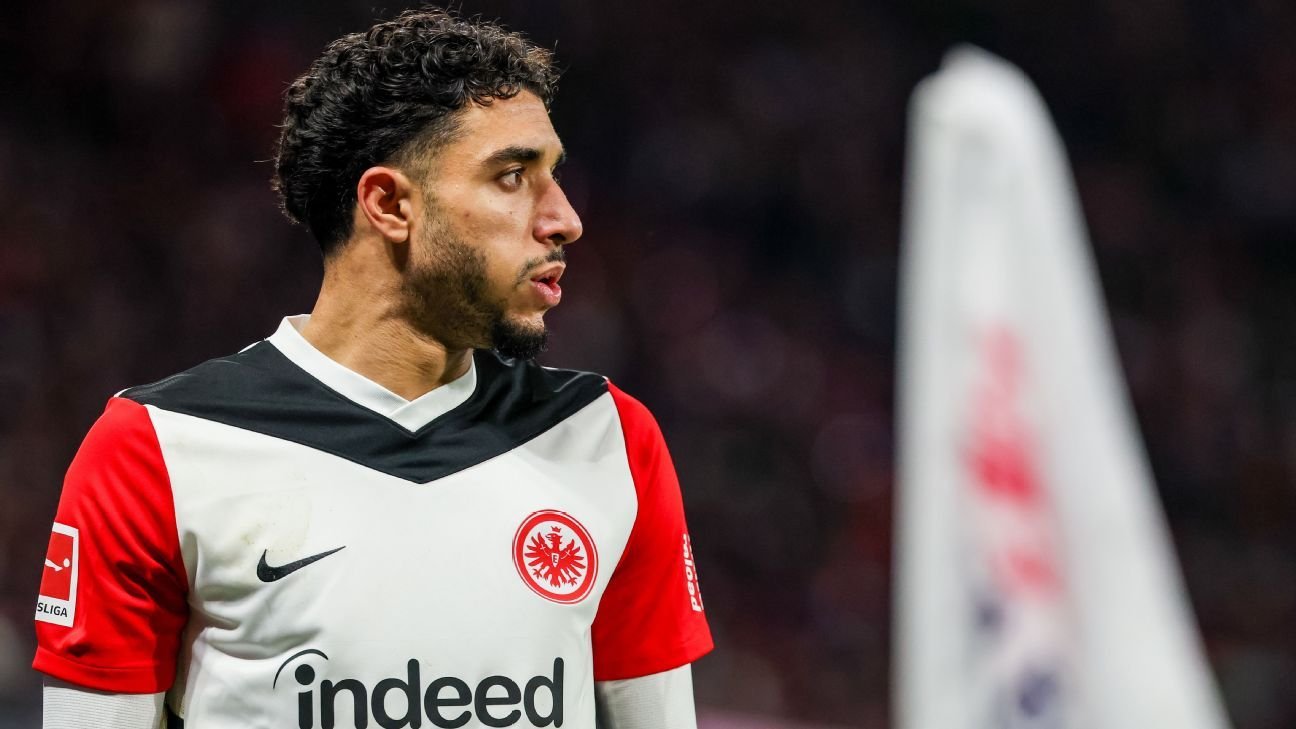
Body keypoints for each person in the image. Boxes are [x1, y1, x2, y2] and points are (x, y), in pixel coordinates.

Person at [33, 9, 713, 728]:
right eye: (513, 176)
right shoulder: (157, 449)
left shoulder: (608, 438)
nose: (565, 219)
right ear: (389, 203)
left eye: (554, 174)